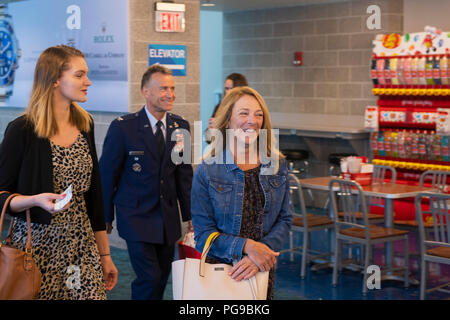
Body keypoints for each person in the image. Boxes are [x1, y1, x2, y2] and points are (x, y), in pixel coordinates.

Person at [0, 45, 118, 300]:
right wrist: (34, 200)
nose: (88, 82)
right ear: (54, 79)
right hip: (36, 251)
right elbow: (1, 194)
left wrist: (105, 255)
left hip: (81, 247)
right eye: (79, 75)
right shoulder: (22, 130)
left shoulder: (85, 124)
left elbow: (93, 197)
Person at [99, 64, 193, 300]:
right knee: (149, 278)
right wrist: (105, 217)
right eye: (163, 88)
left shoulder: (180, 127)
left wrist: (192, 215)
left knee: (161, 277)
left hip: (167, 219)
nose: (170, 94)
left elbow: (184, 175)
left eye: (172, 88)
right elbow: (107, 174)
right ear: (146, 92)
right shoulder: (124, 128)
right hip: (136, 216)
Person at [191, 86, 293, 299]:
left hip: (262, 269)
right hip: (221, 273)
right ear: (228, 120)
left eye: (258, 114)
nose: (252, 120)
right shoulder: (207, 170)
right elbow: (202, 235)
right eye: (244, 113)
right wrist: (247, 247)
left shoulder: (276, 165)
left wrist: (259, 255)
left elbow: (285, 219)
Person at [206, 73, 248, 141]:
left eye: (231, 88)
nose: (228, 92)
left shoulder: (246, 108)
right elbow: (208, 139)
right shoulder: (220, 107)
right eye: (226, 88)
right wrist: (211, 129)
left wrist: (220, 126)